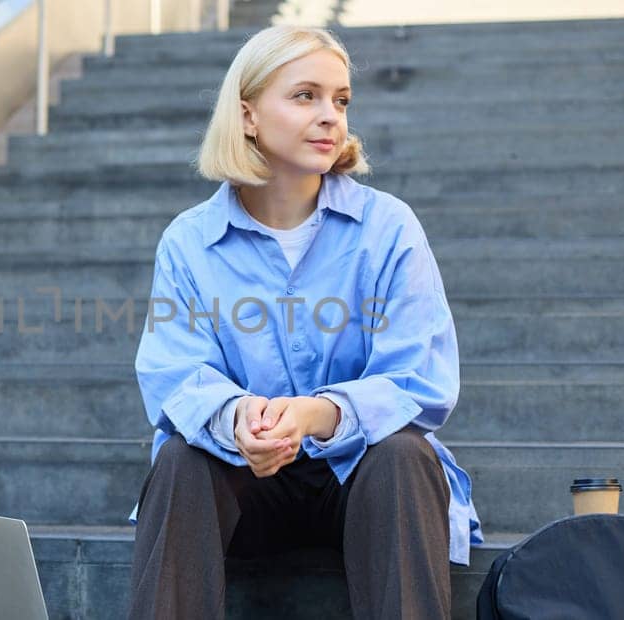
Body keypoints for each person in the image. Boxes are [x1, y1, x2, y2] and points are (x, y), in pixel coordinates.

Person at [127, 25, 482, 618]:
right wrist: (239, 416)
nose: (330, 116)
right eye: (304, 96)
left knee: (404, 455)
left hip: (363, 487)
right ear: (247, 116)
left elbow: (420, 379)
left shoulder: (388, 228)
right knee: (180, 459)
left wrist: (317, 414)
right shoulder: (190, 242)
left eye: (340, 100)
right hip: (246, 485)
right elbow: (174, 374)